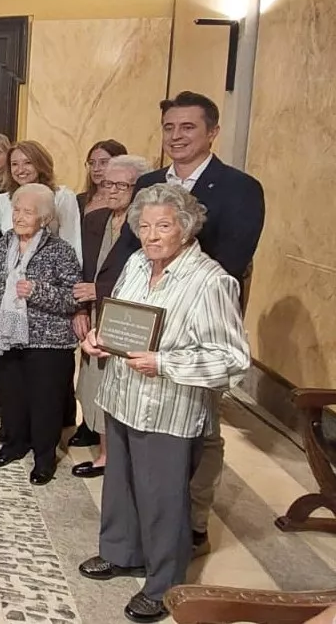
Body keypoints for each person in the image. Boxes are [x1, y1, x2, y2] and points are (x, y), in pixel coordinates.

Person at [77, 183, 249, 624]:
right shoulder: (136, 262)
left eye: (164, 226)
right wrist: (100, 338)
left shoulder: (211, 281)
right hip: (122, 394)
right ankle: (120, 552)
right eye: (146, 226)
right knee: (121, 485)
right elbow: (119, 319)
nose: (152, 236)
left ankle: (164, 585)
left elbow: (232, 360)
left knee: (163, 499)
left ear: (186, 229)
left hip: (169, 407)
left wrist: (165, 363)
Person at [114, 90, 265, 557]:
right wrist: (105, 315)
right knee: (133, 430)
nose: (176, 136)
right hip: (141, 323)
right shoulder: (151, 182)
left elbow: (231, 262)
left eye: (188, 128)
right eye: (169, 128)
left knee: (200, 431)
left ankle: (192, 521)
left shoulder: (240, 187)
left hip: (196, 329)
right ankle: (140, 532)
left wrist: (178, 301)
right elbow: (128, 250)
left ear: (212, 132)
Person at [0, 184, 81, 485]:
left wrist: (38, 291)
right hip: (10, 334)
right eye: (17, 210)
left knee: (45, 402)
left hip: (48, 341)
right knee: (13, 397)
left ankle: (44, 459)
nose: (19, 217)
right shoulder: (5, 243)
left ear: (45, 218)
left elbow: (73, 298)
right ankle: (15, 444)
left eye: (28, 212)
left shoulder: (61, 250)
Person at [70, 155, 151, 478]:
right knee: (91, 380)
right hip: (91, 312)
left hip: (126, 316)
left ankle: (110, 456)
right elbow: (81, 267)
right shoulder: (95, 219)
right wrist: (78, 307)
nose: (112, 190)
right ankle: (99, 440)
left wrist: (98, 290)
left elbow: (145, 275)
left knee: (115, 382)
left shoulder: (143, 225)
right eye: (107, 184)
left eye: (122, 185)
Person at [0, 140, 83, 263]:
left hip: (51, 275)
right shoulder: (1, 202)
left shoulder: (62, 196)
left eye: (28, 163)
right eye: (14, 164)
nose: (20, 170)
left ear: (40, 164)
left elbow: (72, 241)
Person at [77, 139, 128, 214]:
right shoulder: (80, 200)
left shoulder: (127, 201)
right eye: (92, 163)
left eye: (103, 162)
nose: (96, 168)